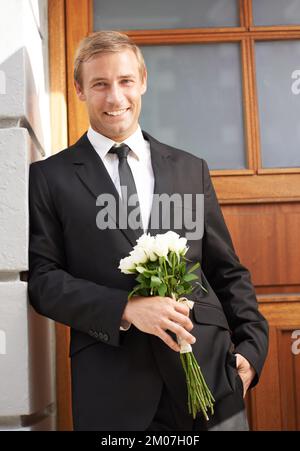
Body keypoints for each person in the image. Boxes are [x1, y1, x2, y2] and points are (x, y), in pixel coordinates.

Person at [28, 31, 268, 431]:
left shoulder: (192, 169)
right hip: (113, 388)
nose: (115, 98)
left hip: (210, 381)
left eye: (124, 81)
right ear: (79, 90)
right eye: (100, 84)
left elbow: (227, 270)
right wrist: (125, 308)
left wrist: (252, 348)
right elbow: (44, 281)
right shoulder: (49, 177)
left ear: (143, 81)